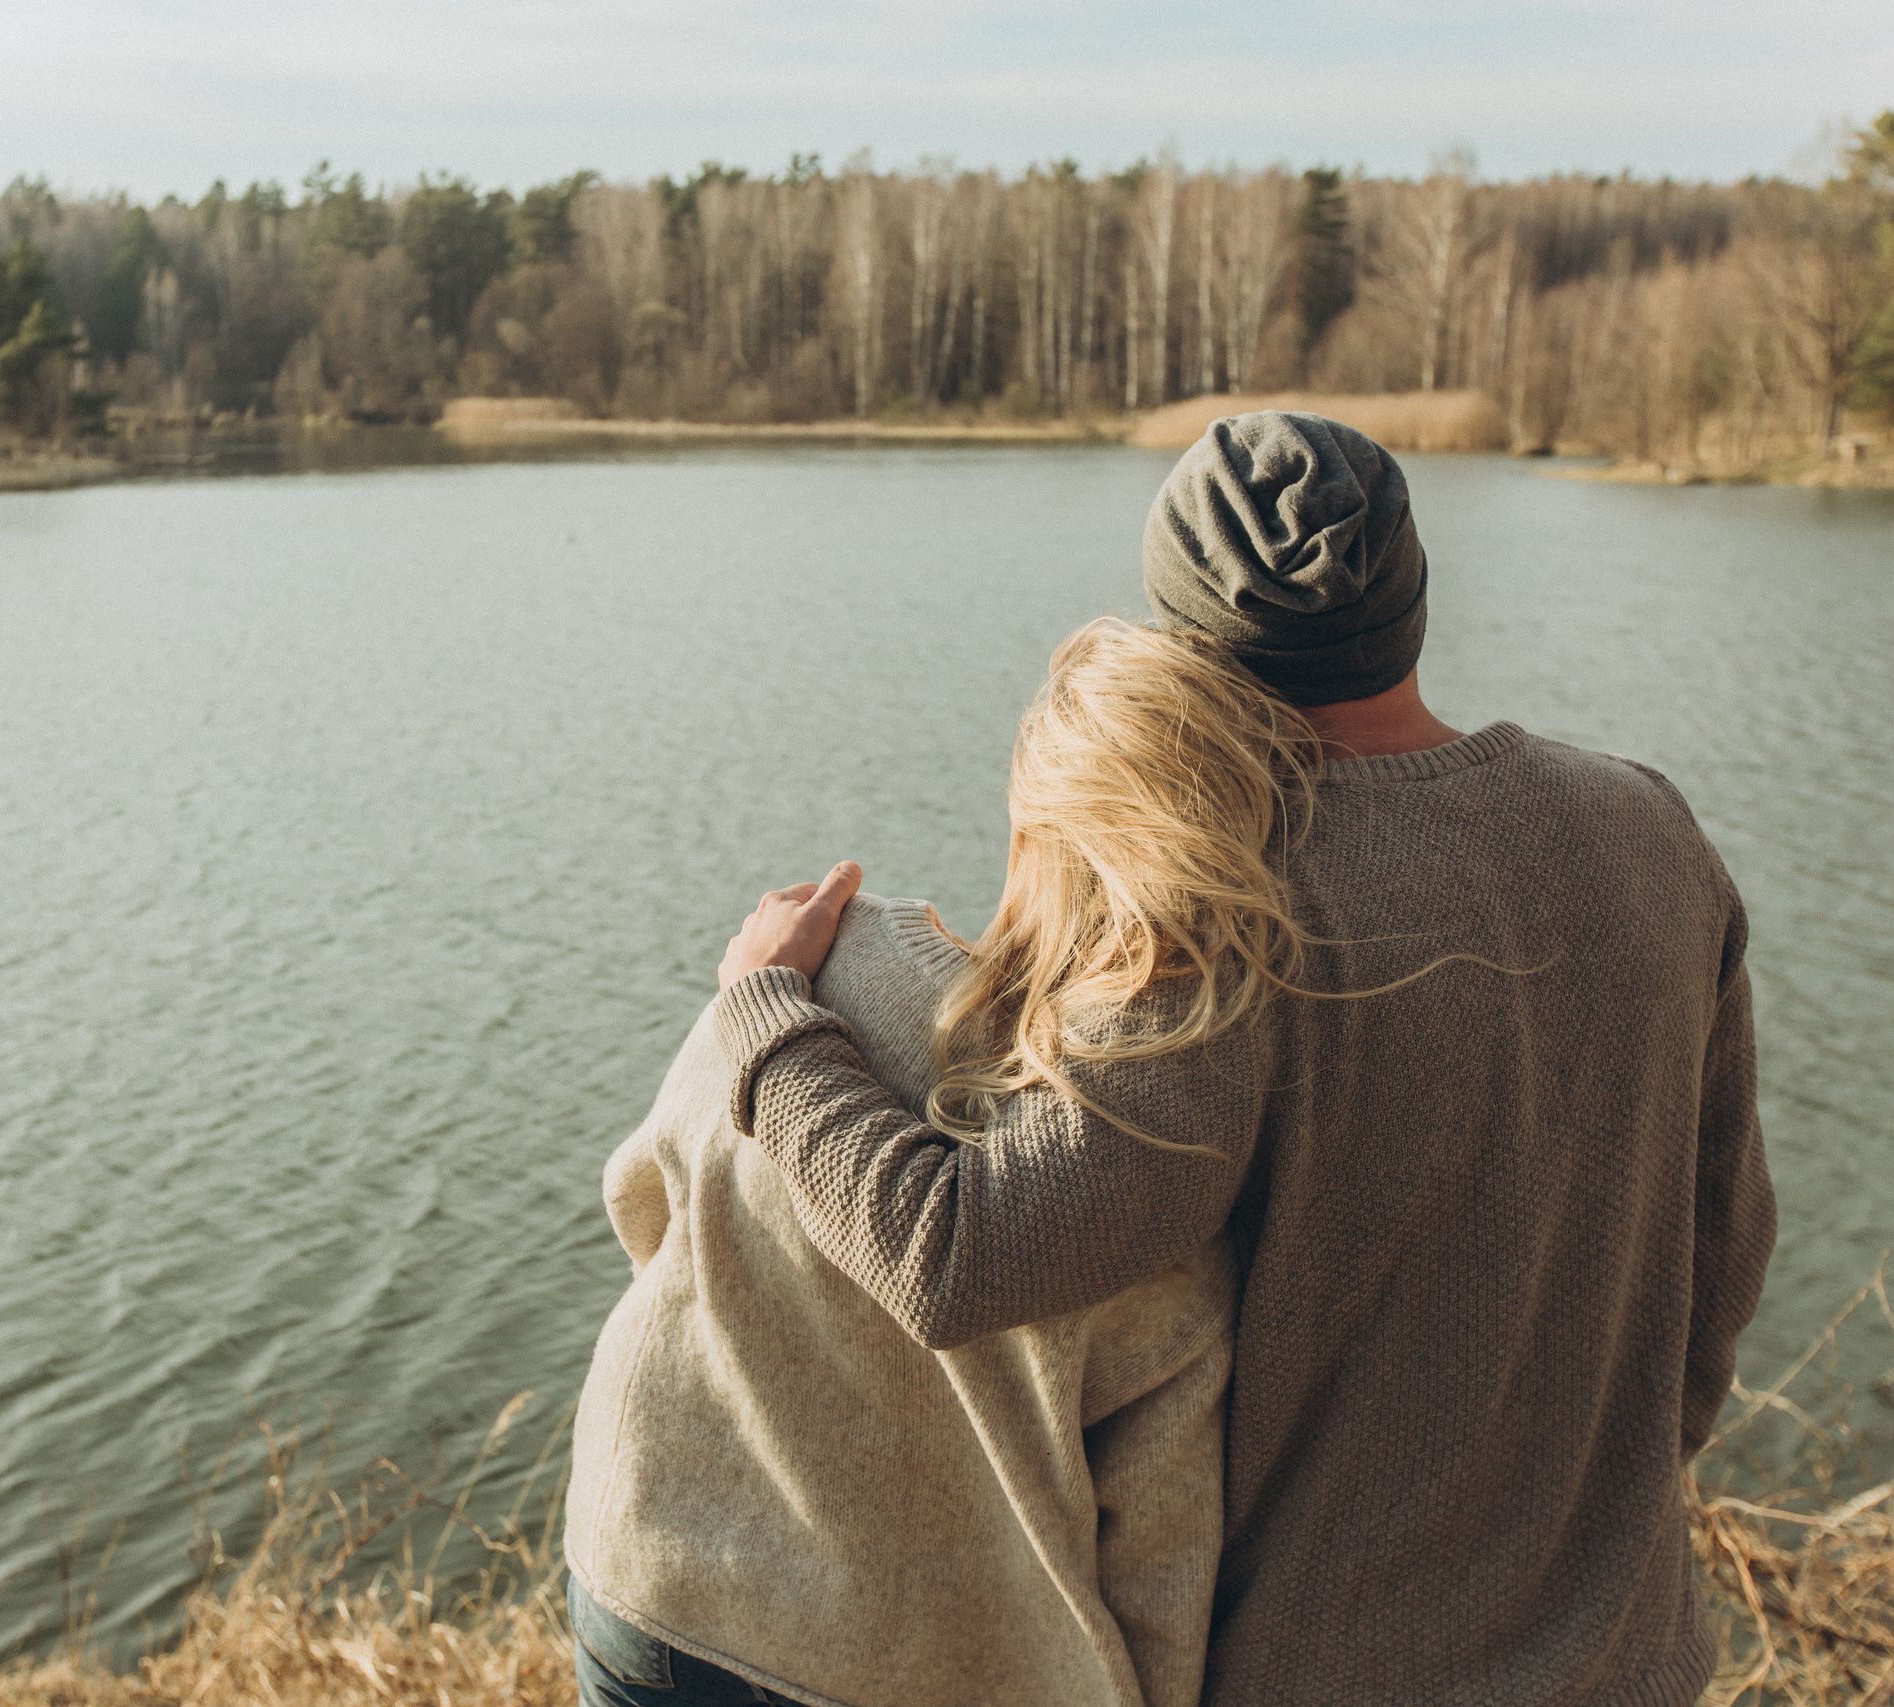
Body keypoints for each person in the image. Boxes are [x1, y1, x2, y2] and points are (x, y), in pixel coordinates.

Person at [708, 410, 1775, 1707]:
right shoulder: (1648, 830)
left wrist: (768, 1017)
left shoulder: (1219, 910)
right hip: (1633, 1657)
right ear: (1413, 598)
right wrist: (1604, 1509)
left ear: (1182, 648)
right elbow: (1723, 1257)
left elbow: (958, 1251)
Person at [564, 620, 1327, 1707]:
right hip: (912, 1661)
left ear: (1033, 822)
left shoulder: (807, 965)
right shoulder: (1157, 1157)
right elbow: (1156, 1539)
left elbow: (642, 1203)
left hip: (655, 1570)